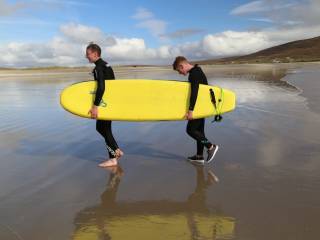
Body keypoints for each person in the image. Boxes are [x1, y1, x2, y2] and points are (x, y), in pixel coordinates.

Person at [172, 56, 218, 164]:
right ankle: (199, 156)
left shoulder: (194, 74)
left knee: (191, 130)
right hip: (202, 107)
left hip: (197, 107)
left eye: (179, 71)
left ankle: (210, 147)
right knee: (200, 132)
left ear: (181, 66)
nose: (180, 73)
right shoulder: (197, 70)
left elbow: (195, 92)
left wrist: (191, 109)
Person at [86, 43, 123, 167]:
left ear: (95, 54)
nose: (86, 56)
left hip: (103, 103)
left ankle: (114, 154)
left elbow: (101, 87)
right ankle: (115, 152)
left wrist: (95, 106)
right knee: (104, 129)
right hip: (110, 102)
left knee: (103, 129)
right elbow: (113, 85)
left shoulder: (98, 68)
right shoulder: (107, 65)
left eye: (88, 54)